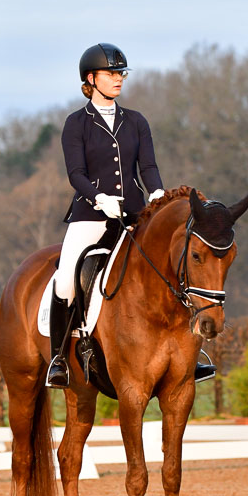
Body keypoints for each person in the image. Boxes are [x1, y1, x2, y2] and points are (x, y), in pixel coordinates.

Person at [47, 42, 165, 387]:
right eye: (111, 73)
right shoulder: (76, 124)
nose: (118, 79)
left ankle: (186, 350)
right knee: (67, 277)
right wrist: (98, 197)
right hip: (90, 215)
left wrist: (156, 191)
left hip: (133, 214)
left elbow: (149, 166)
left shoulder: (136, 121)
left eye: (121, 73)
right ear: (91, 78)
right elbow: (76, 174)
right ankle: (57, 357)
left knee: (165, 267)